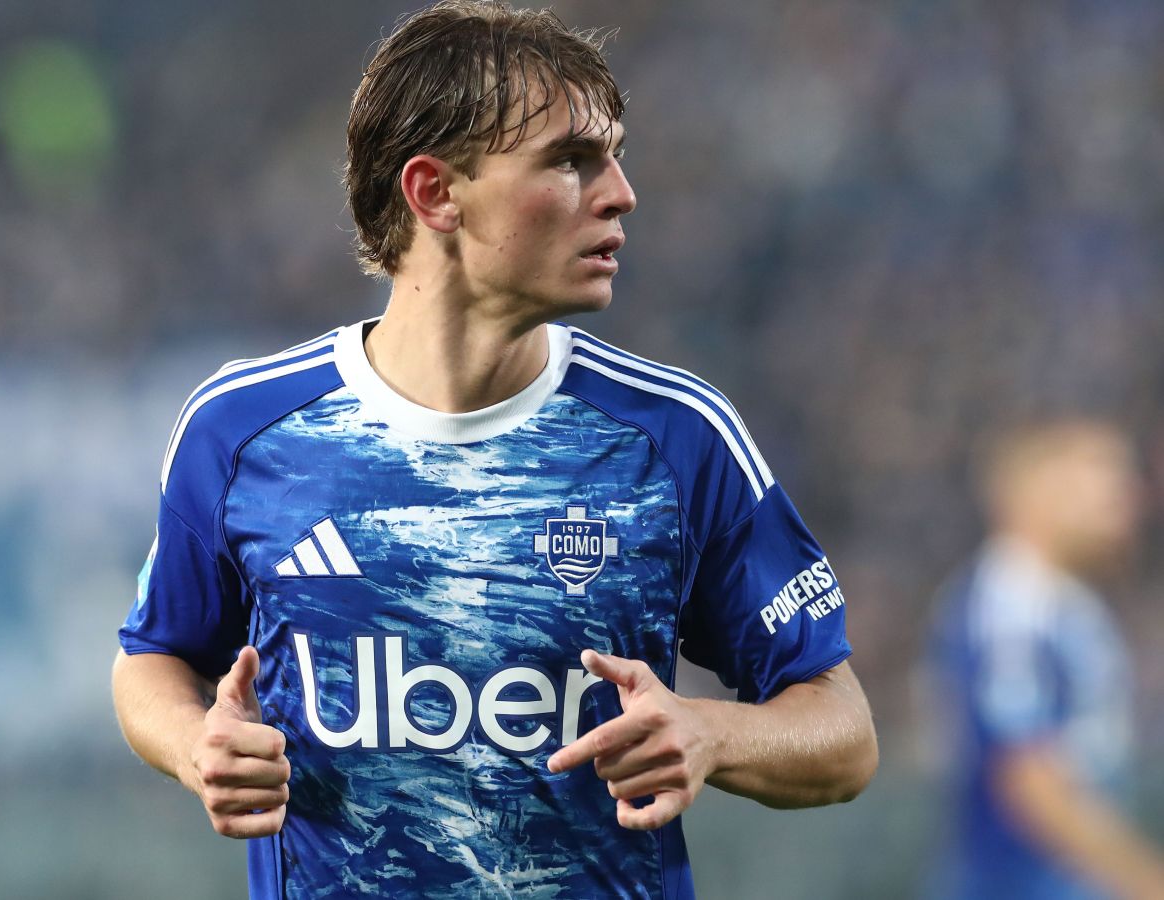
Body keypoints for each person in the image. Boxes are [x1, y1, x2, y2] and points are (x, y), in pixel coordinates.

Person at [112, 2, 878, 896]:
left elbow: (844, 731)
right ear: (436, 193)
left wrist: (714, 734)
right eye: (570, 160)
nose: (621, 193)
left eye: (614, 156)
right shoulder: (243, 432)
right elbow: (152, 657)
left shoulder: (678, 437)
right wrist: (195, 746)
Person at [926, 419, 1164, 899]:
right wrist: (1144, 883)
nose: (1126, 491)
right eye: (1100, 469)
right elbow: (1028, 778)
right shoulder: (1008, 602)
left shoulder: (1064, 600)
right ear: (1034, 490)